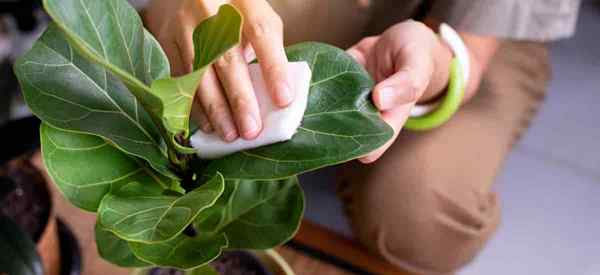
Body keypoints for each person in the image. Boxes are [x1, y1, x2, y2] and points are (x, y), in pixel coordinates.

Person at [143, 1, 580, 274]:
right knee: (165, 70)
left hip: (469, 26)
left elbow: (475, 41)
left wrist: (436, 67)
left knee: (424, 218)